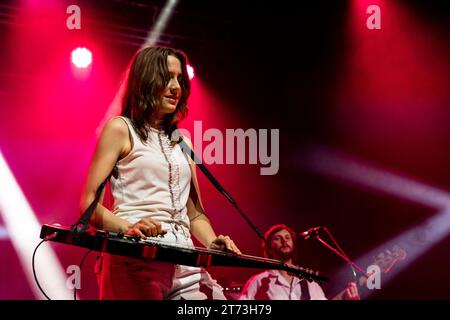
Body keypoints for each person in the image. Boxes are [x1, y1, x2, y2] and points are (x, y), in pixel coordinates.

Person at [80, 46, 241, 300]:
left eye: (179, 79)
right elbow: (88, 204)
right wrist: (128, 227)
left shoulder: (182, 140)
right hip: (135, 260)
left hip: (185, 262)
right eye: (167, 77)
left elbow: (195, 213)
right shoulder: (121, 128)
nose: (176, 86)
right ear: (145, 80)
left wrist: (211, 243)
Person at [239, 224, 359, 300]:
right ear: (269, 247)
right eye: (278, 238)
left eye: (287, 237)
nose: (284, 241)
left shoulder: (309, 281)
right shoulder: (258, 282)